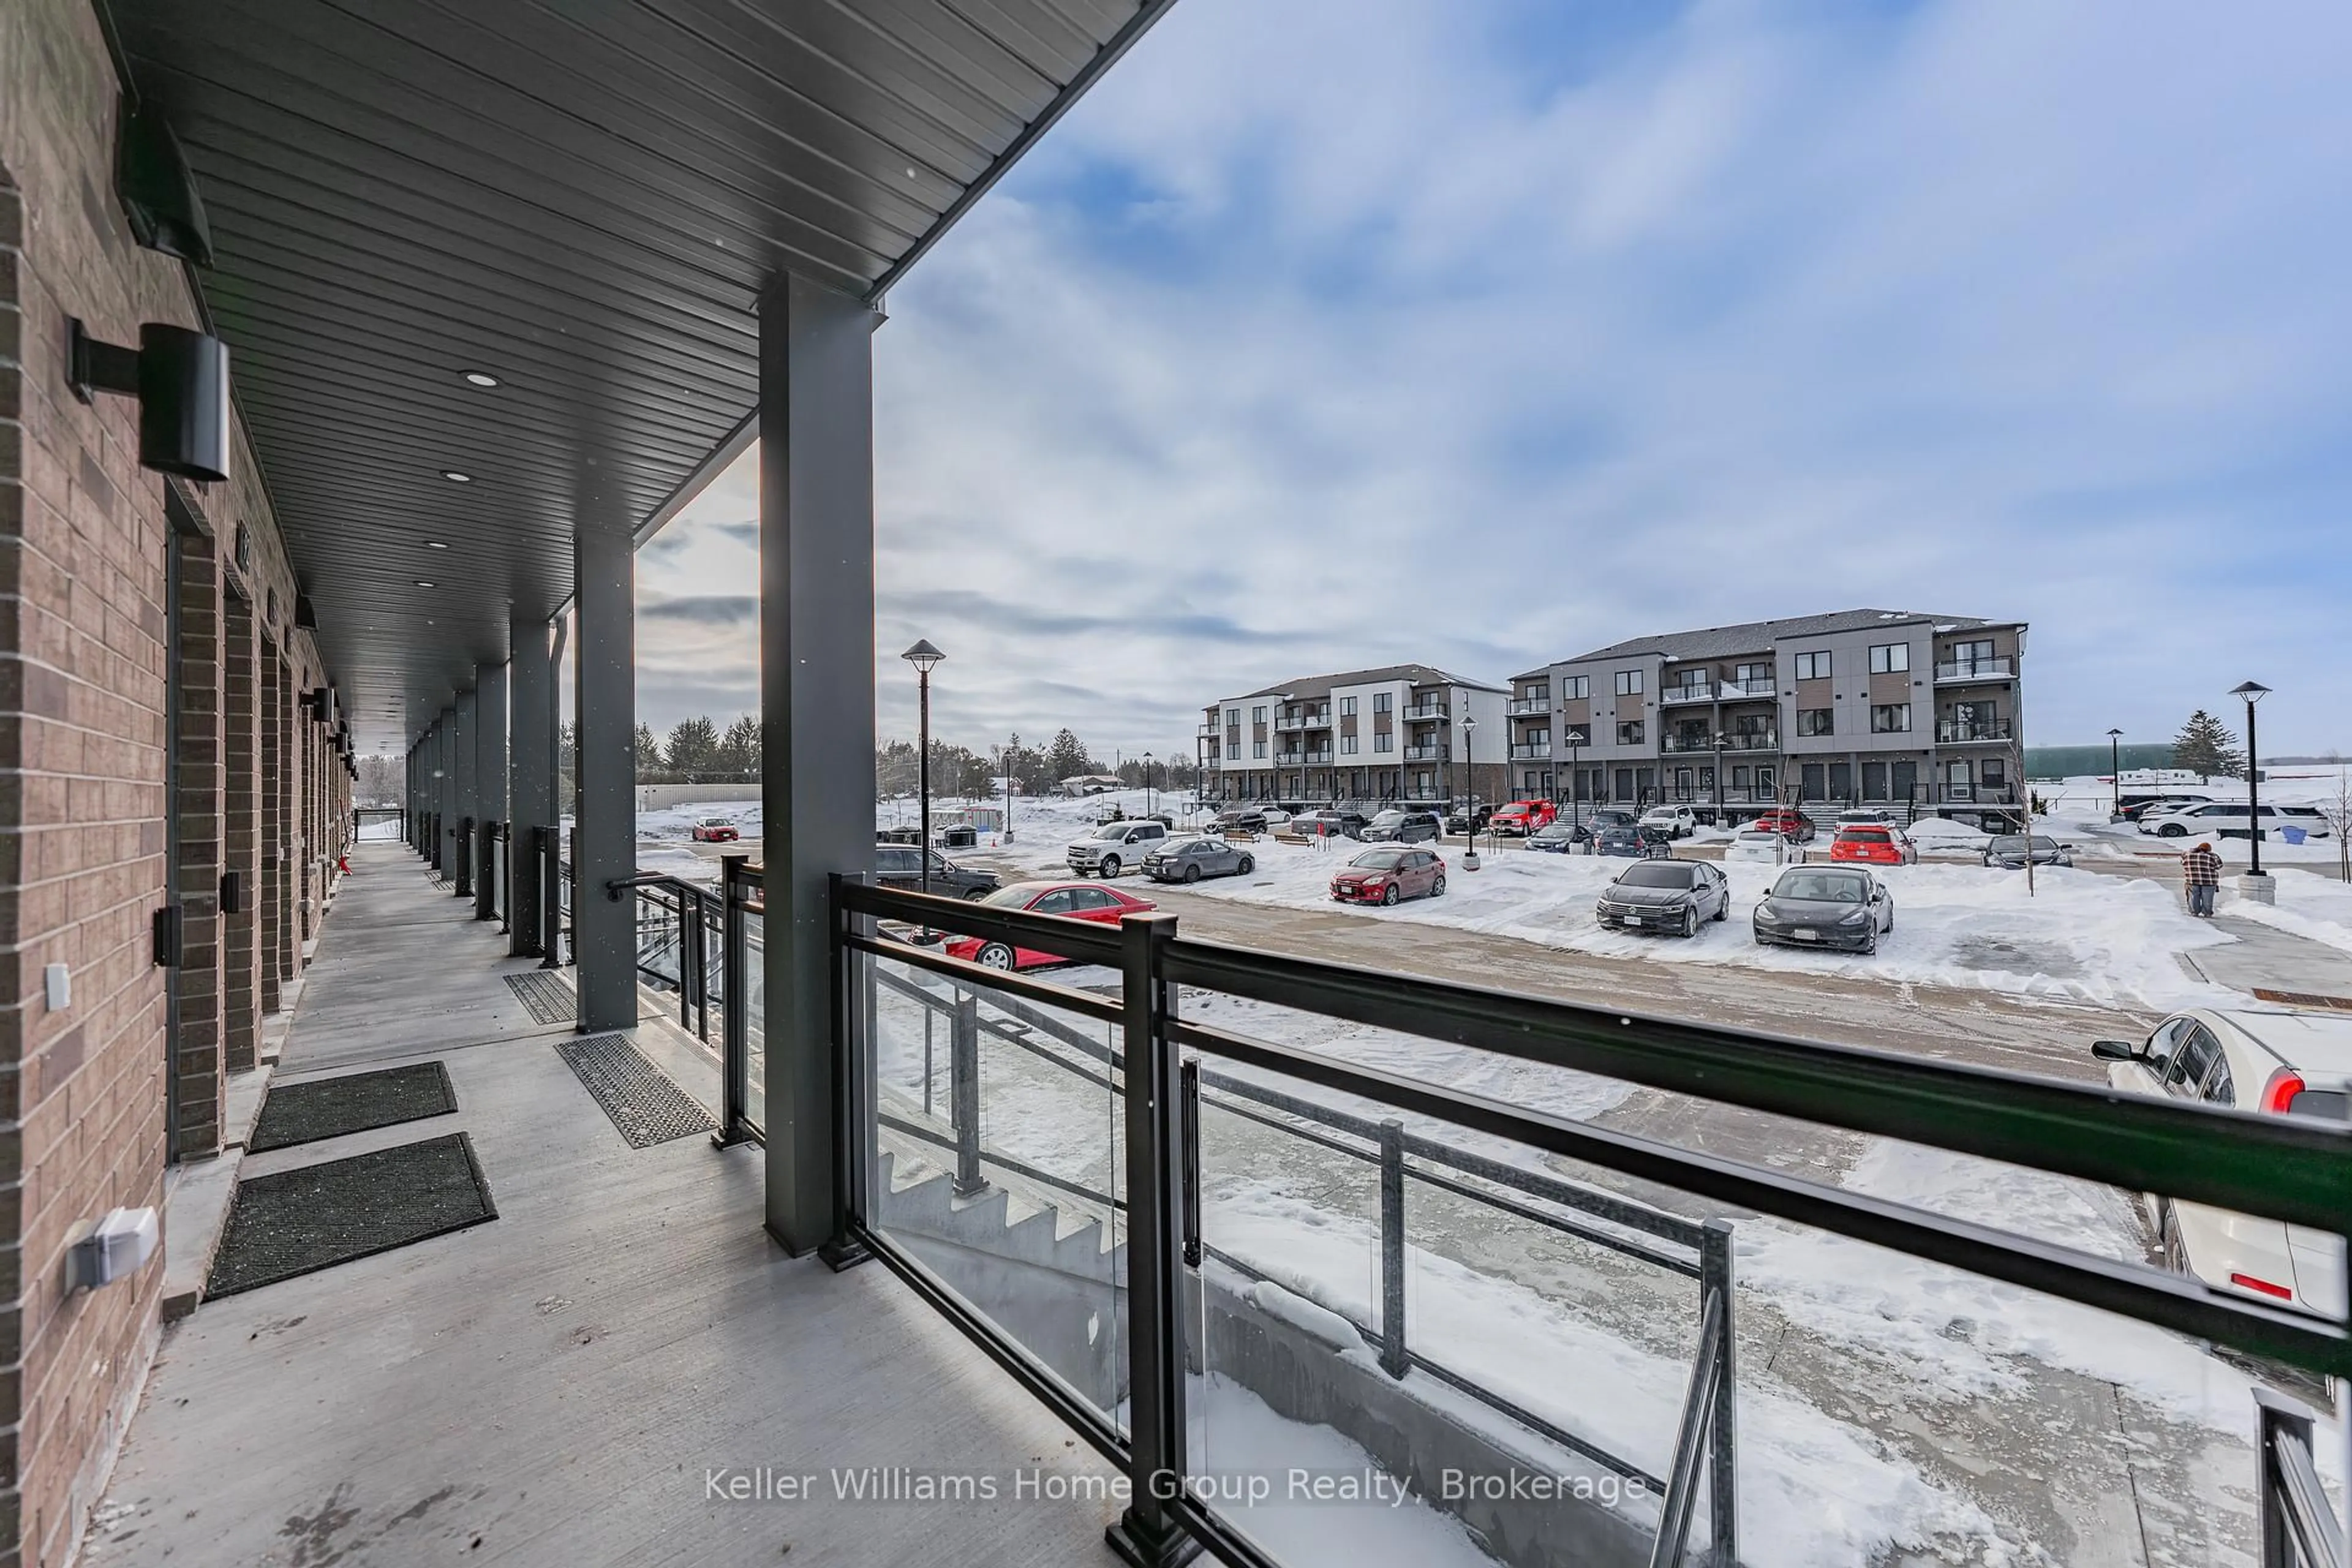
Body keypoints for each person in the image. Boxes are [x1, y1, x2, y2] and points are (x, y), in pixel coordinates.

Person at [2182, 840, 2222, 918]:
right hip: (2209, 881)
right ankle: (2207, 913)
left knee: (2193, 897)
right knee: (2208, 898)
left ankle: (2194, 912)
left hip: (2192, 880)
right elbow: (2219, 866)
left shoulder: (2187, 855)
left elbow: (2182, 862)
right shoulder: (2212, 856)